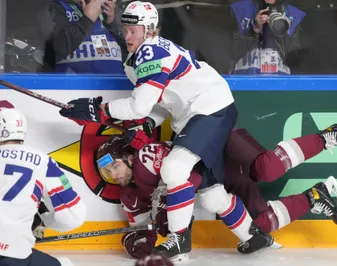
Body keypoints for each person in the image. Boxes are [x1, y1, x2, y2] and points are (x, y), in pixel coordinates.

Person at [58, 0, 256, 260]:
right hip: (199, 113)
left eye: (134, 30)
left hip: (209, 110)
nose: (127, 35)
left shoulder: (150, 51)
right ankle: (254, 236)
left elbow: (137, 106)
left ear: (149, 30)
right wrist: (148, 122)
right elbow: (158, 102)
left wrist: (98, 110)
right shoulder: (136, 58)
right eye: (125, 28)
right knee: (210, 195)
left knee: (174, 169)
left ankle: (179, 240)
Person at [96, 135, 275, 262]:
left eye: (115, 166)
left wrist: (168, 208)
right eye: (107, 172)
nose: (114, 175)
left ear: (129, 158)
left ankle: (251, 235)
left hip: (205, 164)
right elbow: (141, 228)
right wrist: (137, 242)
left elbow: (189, 175)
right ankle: (255, 238)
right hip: (190, 184)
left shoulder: (146, 157)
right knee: (211, 200)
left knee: (211, 197)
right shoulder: (129, 195)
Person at [0, 102, 87, 266]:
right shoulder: (43, 161)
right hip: (15, 256)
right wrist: (44, 218)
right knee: (65, 263)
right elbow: (73, 217)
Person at [37, 0, 126, 73]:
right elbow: (57, 50)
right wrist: (87, 19)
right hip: (74, 88)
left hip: (116, 87)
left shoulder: (106, 10)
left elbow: (129, 51)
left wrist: (112, 23)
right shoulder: (54, 8)